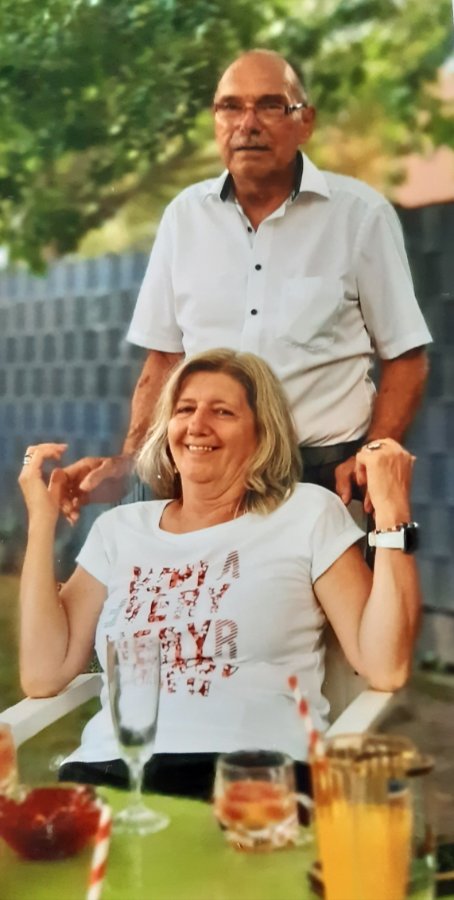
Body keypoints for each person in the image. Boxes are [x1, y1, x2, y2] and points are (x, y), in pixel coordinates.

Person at [18, 349, 421, 800]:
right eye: (185, 409)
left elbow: (385, 665)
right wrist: (41, 522)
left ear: (261, 434)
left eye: (222, 411)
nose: (197, 425)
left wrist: (392, 511)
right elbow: (43, 673)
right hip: (112, 771)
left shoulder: (307, 514)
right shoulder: (119, 530)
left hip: (254, 778)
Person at [58, 49, 431, 525]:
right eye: (230, 107)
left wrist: (372, 456)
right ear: (215, 121)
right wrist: (130, 460)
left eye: (271, 105)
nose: (247, 124)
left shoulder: (360, 216)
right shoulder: (184, 217)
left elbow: (406, 357)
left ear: (305, 121)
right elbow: (165, 358)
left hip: (322, 481)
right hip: (203, 480)